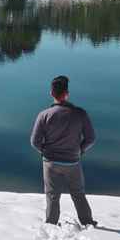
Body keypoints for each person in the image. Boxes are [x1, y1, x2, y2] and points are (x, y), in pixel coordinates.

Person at [30, 75, 97, 227]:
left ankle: (51, 224)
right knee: (78, 193)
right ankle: (88, 222)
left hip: (50, 162)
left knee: (52, 196)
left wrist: (44, 151)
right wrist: (80, 150)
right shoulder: (80, 114)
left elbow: (34, 142)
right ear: (67, 93)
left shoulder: (44, 115)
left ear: (51, 93)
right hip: (73, 161)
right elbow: (91, 138)